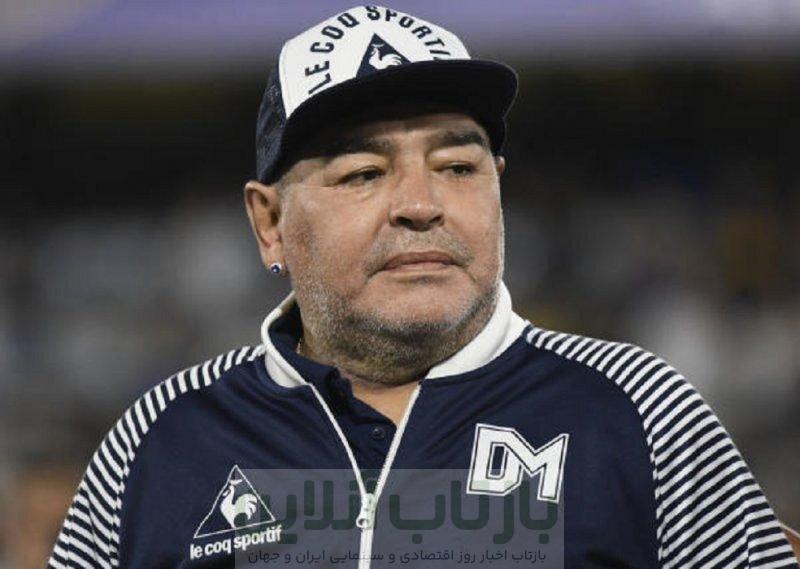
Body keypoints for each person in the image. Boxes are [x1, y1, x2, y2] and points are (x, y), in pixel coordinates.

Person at [48, 5, 797, 568]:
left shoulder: (644, 414)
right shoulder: (160, 438)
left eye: (457, 166)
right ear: (269, 222)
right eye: (363, 173)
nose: (420, 204)